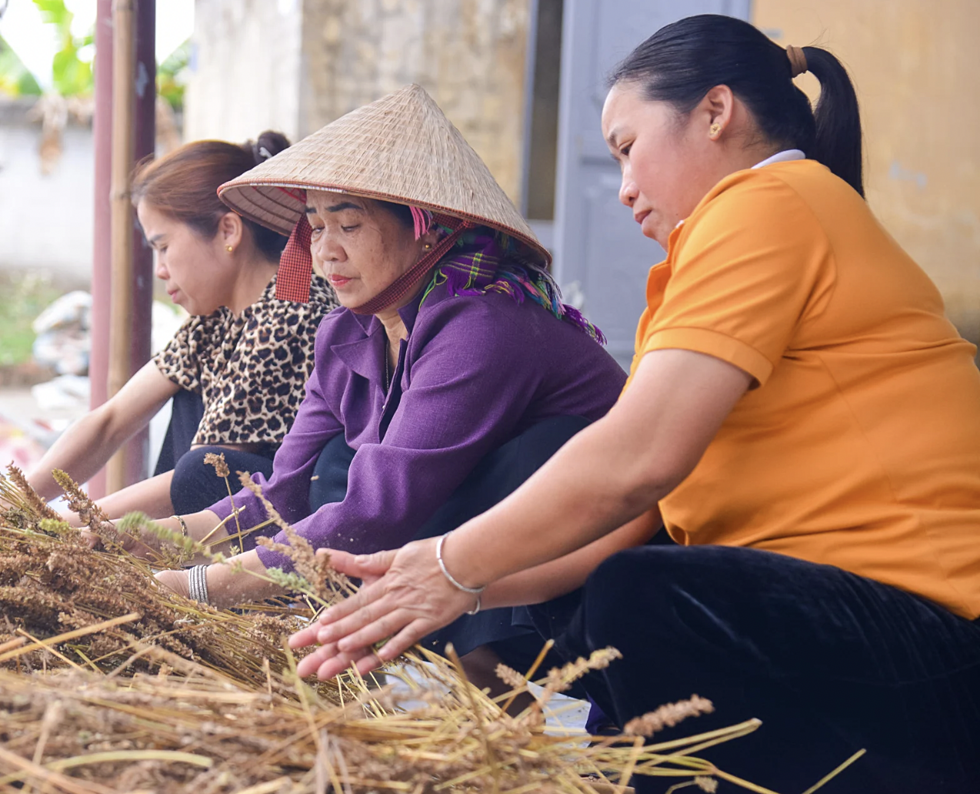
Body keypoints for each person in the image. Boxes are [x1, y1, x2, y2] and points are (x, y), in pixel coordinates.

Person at [291, 15, 980, 794]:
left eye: (627, 147)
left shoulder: (768, 205)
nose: (621, 187)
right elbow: (621, 523)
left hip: (932, 638)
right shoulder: (733, 239)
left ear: (716, 113)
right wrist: (452, 590)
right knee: (604, 584)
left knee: (642, 596)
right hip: (855, 630)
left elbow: (638, 461)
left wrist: (450, 563)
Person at [129, 85, 645, 690]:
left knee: (446, 478)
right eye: (316, 227)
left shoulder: (482, 325)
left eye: (348, 223)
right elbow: (280, 497)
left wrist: (197, 585)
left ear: (424, 230)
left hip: (584, 579)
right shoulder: (345, 335)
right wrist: (133, 541)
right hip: (472, 571)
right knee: (321, 476)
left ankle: (494, 709)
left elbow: (376, 512)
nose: (326, 252)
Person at [0, 132, 337, 558]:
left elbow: (208, 477)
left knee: (204, 467)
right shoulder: (214, 318)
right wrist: (10, 504)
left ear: (228, 230)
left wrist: (58, 525)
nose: (159, 270)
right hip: (210, 524)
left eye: (163, 247)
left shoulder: (291, 311)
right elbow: (110, 421)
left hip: (284, 537)